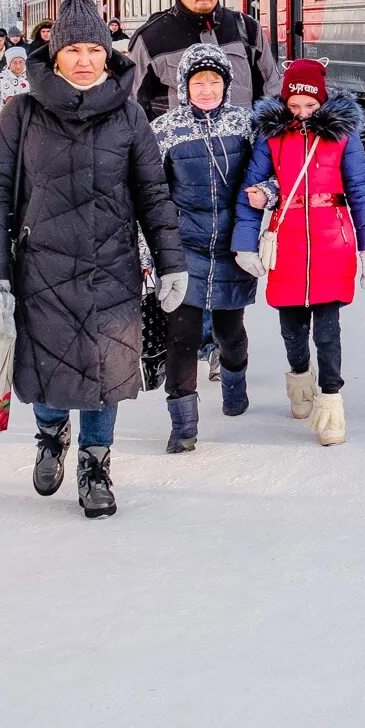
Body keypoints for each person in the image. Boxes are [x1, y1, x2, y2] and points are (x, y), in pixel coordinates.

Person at [0, 0, 185, 519]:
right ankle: (50, 435)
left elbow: (153, 194)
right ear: (55, 52)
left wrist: (171, 260)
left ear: (108, 55)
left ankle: (96, 462)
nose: (85, 59)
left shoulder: (130, 117)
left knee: (106, 368)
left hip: (112, 265)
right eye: (74, 49)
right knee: (46, 365)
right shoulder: (20, 115)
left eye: (95, 49)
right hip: (41, 267)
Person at [230, 58, 365, 447]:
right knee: (292, 327)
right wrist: (245, 243)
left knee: (328, 330)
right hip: (288, 241)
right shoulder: (271, 137)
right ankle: (300, 379)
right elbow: (251, 189)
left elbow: (360, 190)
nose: (302, 115)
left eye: (310, 108)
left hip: (333, 239)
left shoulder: (343, 136)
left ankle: (331, 402)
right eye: (294, 107)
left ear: (322, 103)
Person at [151, 44, 257, 453]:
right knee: (184, 336)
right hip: (184, 248)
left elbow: (267, 176)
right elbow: (152, 195)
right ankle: (183, 427)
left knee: (230, 332)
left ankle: (235, 383)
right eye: (199, 82)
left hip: (233, 247)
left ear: (227, 85)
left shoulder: (244, 125)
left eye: (215, 81)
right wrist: (152, 254)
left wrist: (266, 193)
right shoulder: (165, 130)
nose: (207, 89)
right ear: (184, 86)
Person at [128, 0, 279, 120]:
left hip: (242, 145)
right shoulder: (151, 38)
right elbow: (135, 107)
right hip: (179, 147)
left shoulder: (247, 28)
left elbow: (271, 89)